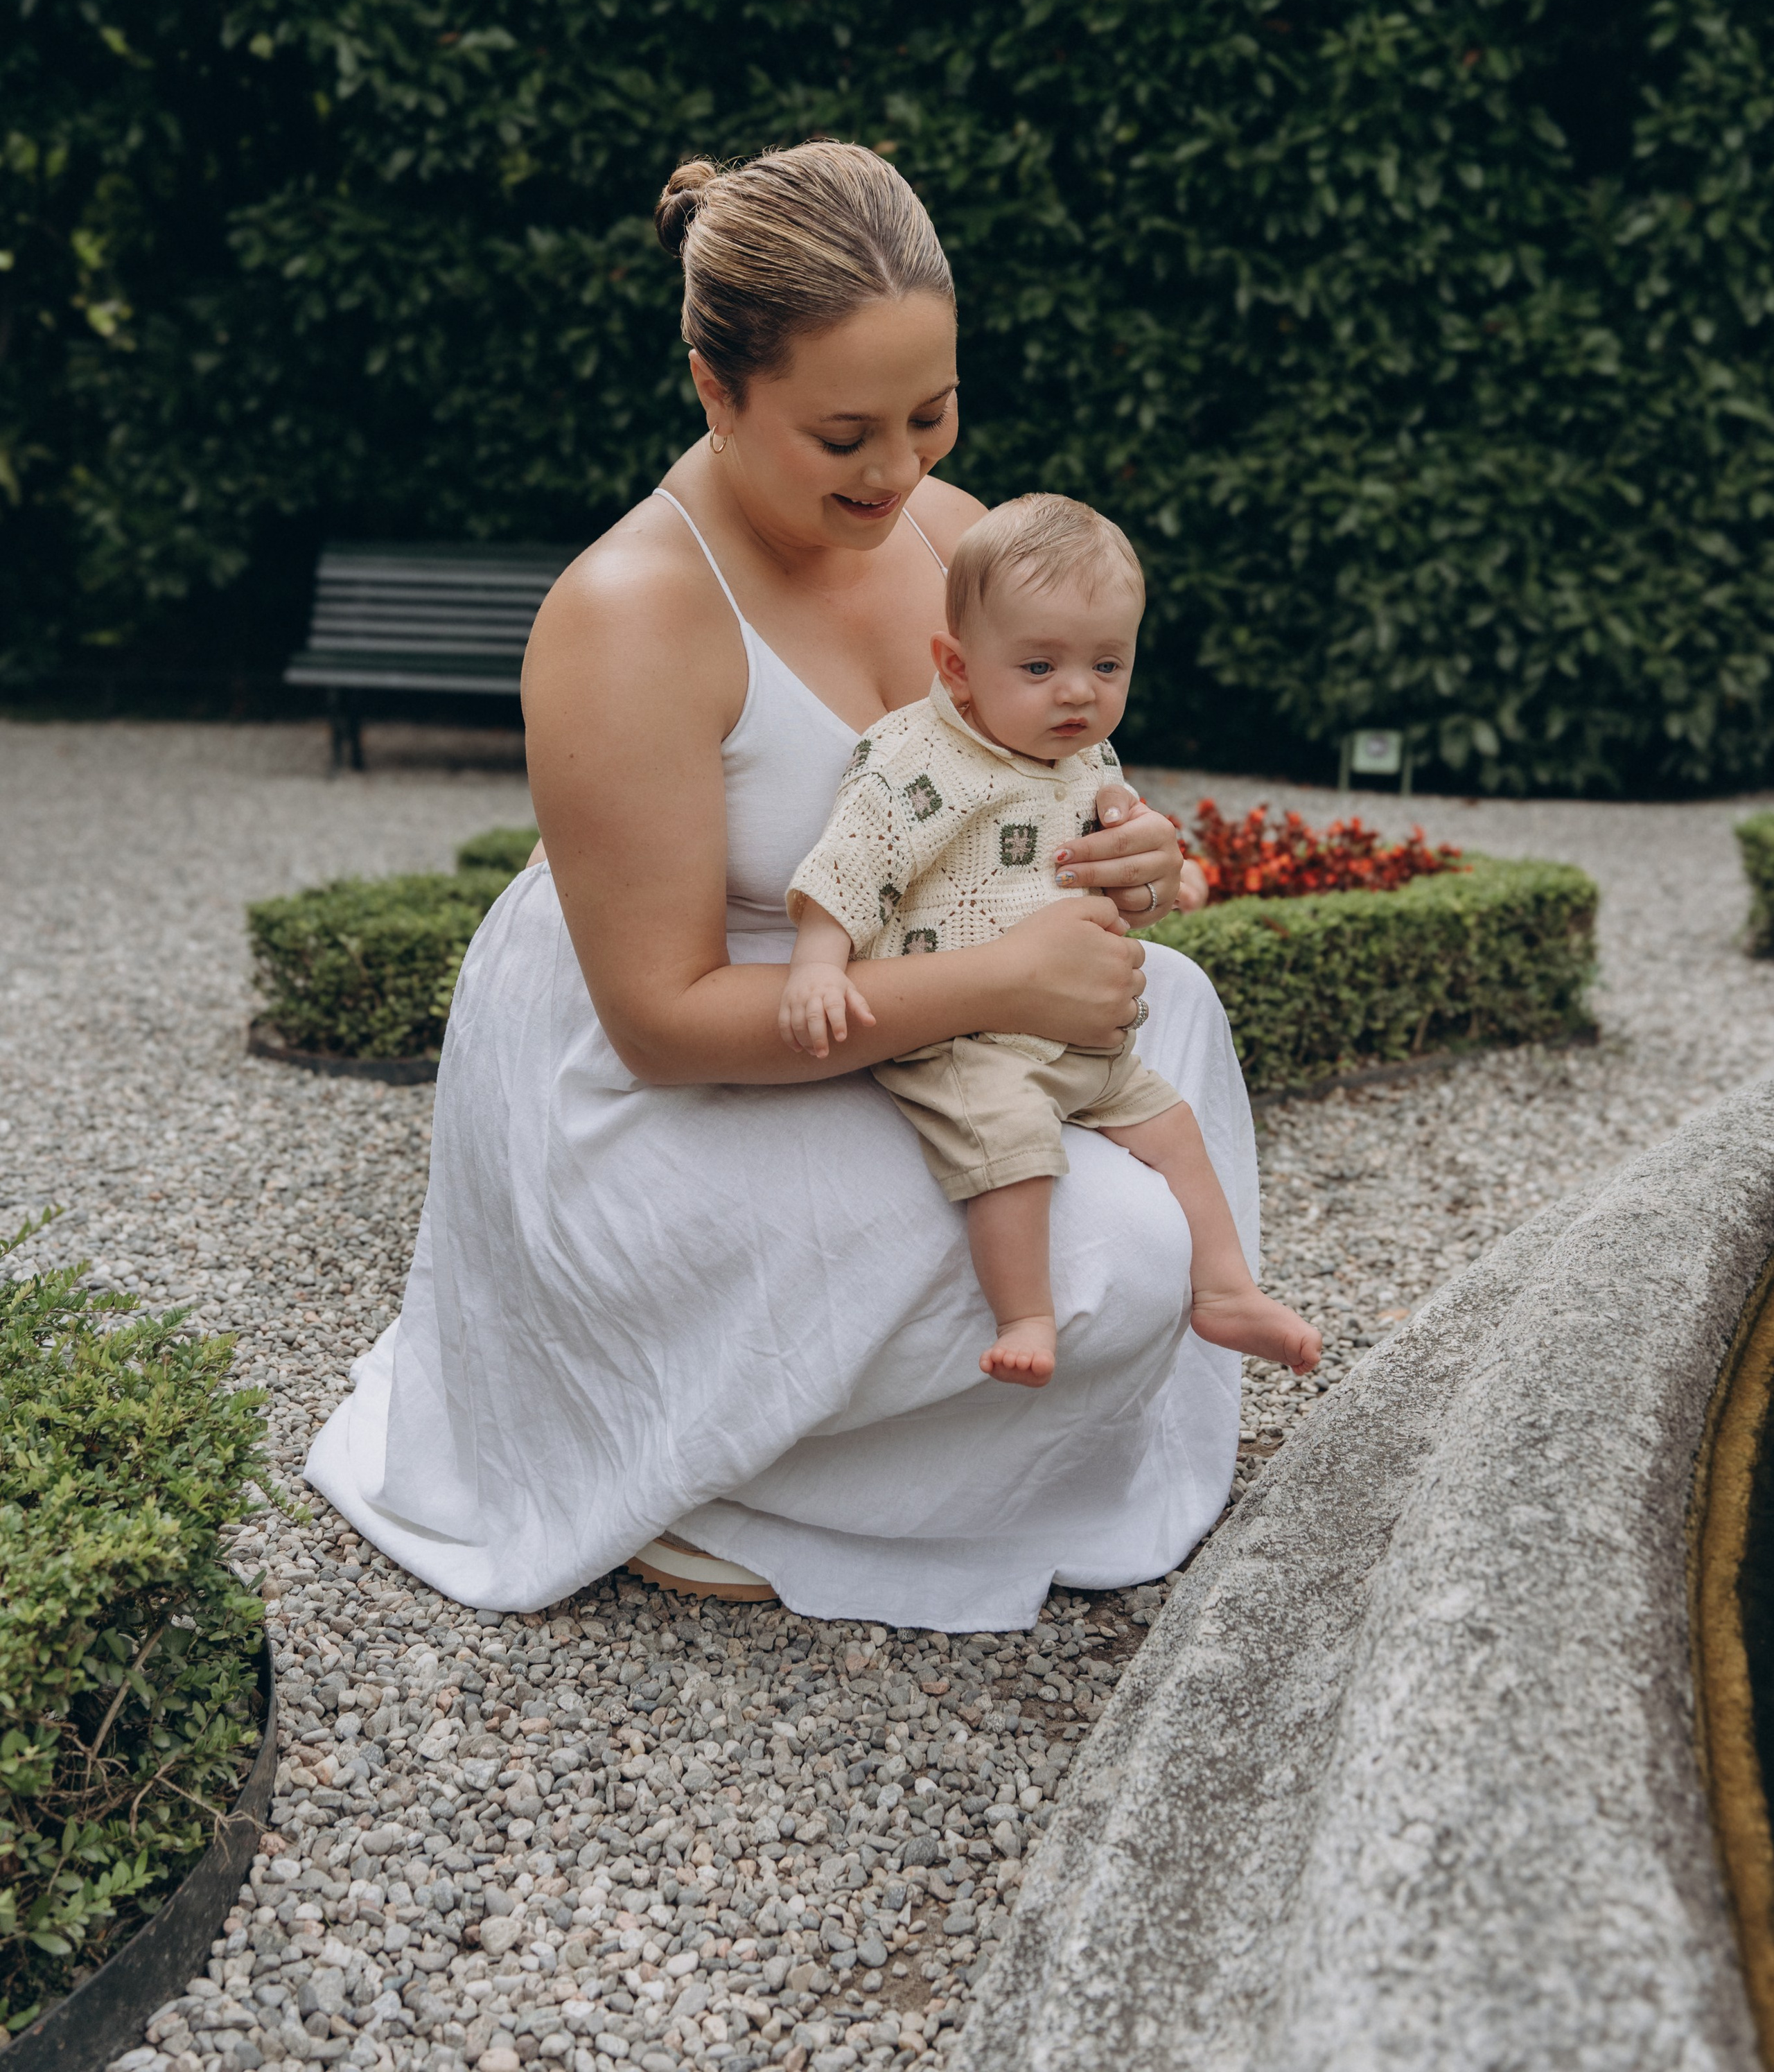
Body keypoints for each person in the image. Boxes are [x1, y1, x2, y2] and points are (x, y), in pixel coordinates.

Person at [305, 141, 1265, 1633]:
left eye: (930, 416)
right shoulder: (628, 616)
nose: (900, 474)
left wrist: (1137, 855)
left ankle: (896, 1453)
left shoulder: (953, 535)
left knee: (1175, 1012)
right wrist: (1000, 986)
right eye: (843, 436)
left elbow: (1051, 789)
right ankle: (709, 1476)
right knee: (1124, 1250)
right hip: (678, 1093)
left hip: (907, 1010)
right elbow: (662, 1026)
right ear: (713, 388)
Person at [780, 492, 1322, 1391]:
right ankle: (1024, 1311)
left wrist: (1162, 875)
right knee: (1013, 1147)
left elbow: (1117, 845)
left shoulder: (1083, 754)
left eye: (1107, 664)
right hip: (961, 1036)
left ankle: (1225, 1288)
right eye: (1039, 665)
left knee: (1176, 1127)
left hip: (1075, 1034)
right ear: (957, 667)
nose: (1078, 692)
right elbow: (852, 864)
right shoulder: (917, 762)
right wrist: (816, 968)